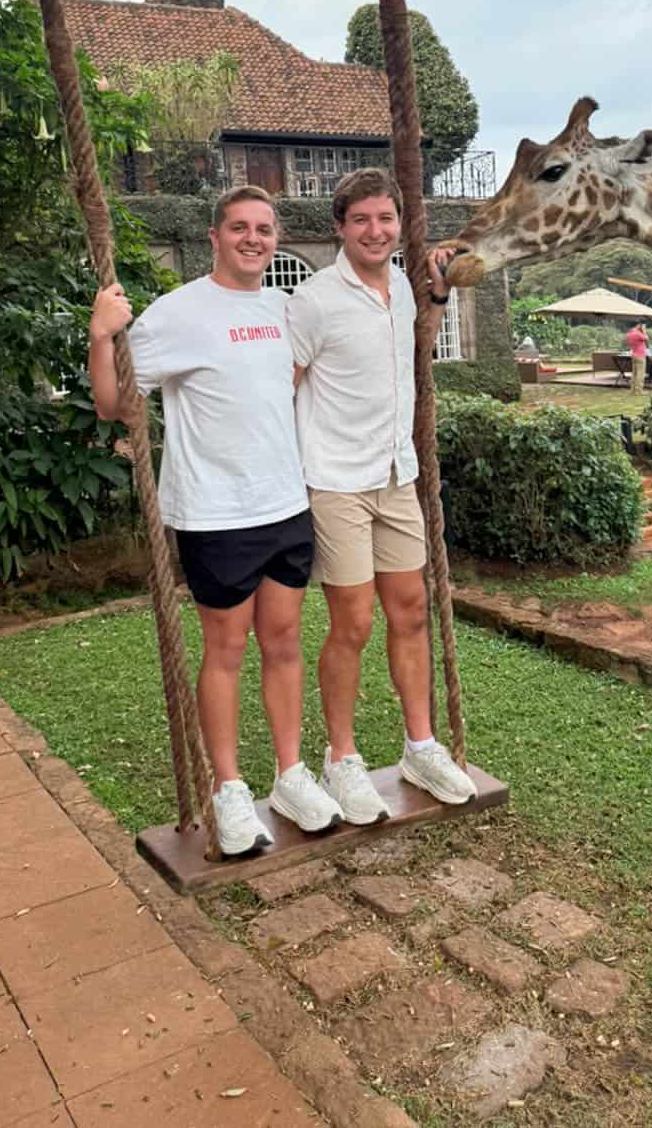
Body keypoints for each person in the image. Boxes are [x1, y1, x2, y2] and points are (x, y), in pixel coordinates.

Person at [87, 186, 343, 857]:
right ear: (214, 236)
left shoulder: (283, 309)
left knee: (283, 642)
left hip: (286, 504)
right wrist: (99, 333)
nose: (252, 239)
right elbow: (115, 404)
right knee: (225, 650)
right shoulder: (177, 314)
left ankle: (289, 774)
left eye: (263, 229)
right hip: (216, 513)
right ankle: (229, 789)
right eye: (239, 228)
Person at [286, 167, 477, 823]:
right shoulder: (311, 300)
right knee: (354, 623)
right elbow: (281, 385)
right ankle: (341, 758)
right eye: (361, 219)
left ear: (399, 227)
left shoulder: (400, 284)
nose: (374, 230)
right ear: (339, 228)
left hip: (398, 477)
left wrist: (438, 285)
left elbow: (420, 333)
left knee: (410, 613)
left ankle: (419, 745)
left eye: (385, 219)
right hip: (336, 480)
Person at [624, 320, 648, 395]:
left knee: (634, 374)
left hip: (633, 354)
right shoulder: (638, 333)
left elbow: (627, 342)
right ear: (637, 325)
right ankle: (639, 391)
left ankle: (632, 390)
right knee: (640, 374)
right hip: (640, 355)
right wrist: (644, 330)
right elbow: (646, 338)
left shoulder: (628, 334)